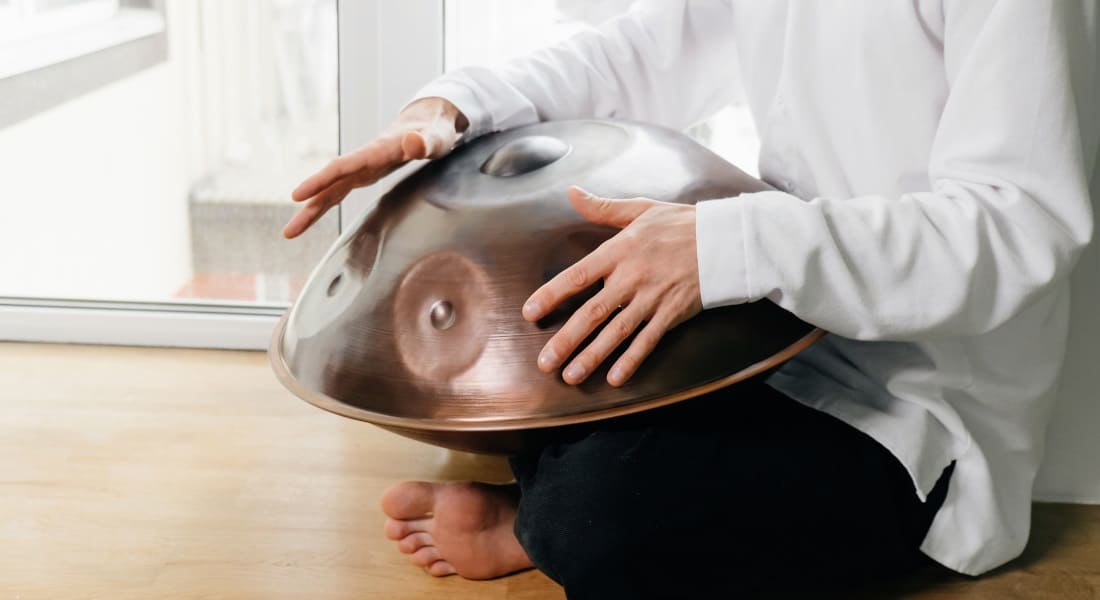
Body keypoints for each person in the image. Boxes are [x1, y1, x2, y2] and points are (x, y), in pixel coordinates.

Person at [285, 1, 1100, 597]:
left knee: (603, 517)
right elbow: (643, 52)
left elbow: (1019, 225)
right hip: (773, 336)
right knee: (536, 356)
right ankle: (552, 494)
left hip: (920, 410)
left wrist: (727, 247)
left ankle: (531, 524)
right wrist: (455, 107)